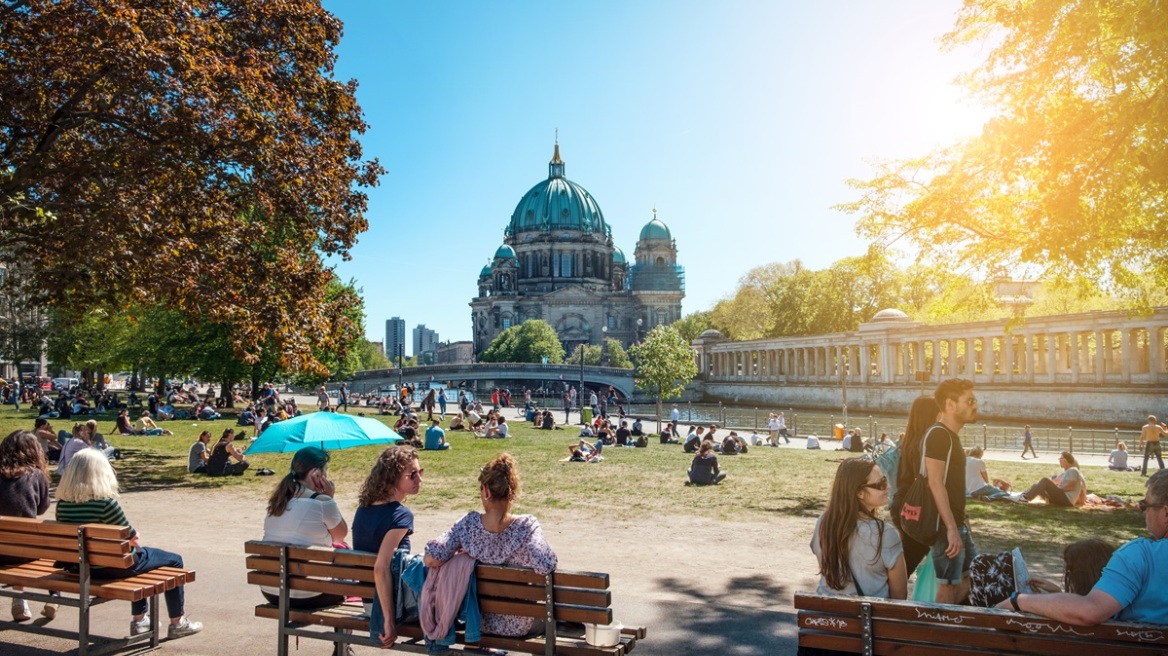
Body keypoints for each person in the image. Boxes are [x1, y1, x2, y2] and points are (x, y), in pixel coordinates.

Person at [56, 449, 202, 638]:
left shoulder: (62, 506)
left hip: (82, 568)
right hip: (114, 567)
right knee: (173, 560)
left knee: (136, 557)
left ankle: (141, 620)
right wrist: (135, 535)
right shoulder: (106, 504)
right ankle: (176, 623)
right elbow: (132, 537)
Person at [995, 469, 1168, 625]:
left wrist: (1019, 601)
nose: (1143, 511)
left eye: (1145, 505)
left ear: (1166, 512)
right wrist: (1056, 592)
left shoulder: (1139, 555)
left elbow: (1090, 611)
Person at [425, 453, 557, 637]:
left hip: (477, 622)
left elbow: (431, 558)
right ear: (512, 493)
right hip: (520, 625)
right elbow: (546, 564)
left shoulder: (468, 525)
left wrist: (464, 553)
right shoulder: (526, 526)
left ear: (486, 491)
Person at [352, 446, 423, 648]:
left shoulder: (363, 510)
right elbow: (380, 567)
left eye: (420, 472)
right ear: (393, 478)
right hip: (387, 607)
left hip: (366, 603)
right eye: (412, 475)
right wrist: (389, 621)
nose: (419, 479)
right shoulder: (400, 516)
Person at [261, 447, 348, 608]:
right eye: (325, 472)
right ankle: (346, 630)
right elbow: (340, 536)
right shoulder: (322, 501)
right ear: (316, 473)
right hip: (310, 594)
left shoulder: (278, 501)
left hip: (272, 591)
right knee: (347, 570)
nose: (327, 477)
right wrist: (330, 498)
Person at [917, 379, 979, 604]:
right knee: (948, 586)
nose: (975, 405)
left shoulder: (948, 435)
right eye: (970, 400)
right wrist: (952, 528)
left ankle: (944, 626)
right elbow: (935, 483)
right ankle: (935, 632)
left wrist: (962, 521)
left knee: (972, 577)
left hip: (954, 522)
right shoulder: (939, 435)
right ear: (950, 405)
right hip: (945, 525)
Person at [811, 457, 907, 599]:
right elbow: (899, 596)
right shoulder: (885, 534)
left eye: (885, 479)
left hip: (826, 616)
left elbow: (826, 568)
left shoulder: (824, 523)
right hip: (868, 619)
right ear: (859, 493)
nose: (888, 487)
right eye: (881, 484)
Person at [0, 430, 58, 621]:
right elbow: (41, 509)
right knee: (53, 549)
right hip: (24, 552)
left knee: (17, 544)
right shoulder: (36, 475)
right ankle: (53, 596)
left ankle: (20, 600)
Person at [891, 396, 943, 577]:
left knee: (910, 559)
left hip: (904, 505)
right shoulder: (931, 443)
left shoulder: (909, 442)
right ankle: (882, 596)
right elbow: (937, 482)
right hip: (924, 510)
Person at [1018, 451, 1087, 507]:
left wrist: (1056, 489)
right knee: (1037, 485)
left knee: (1045, 480)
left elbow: (1071, 487)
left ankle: (1025, 498)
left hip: (1066, 500)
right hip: (1063, 499)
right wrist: (1055, 489)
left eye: (1061, 458)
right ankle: (1022, 496)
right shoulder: (1068, 471)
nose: (1059, 460)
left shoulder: (1073, 470)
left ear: (1067, 460)